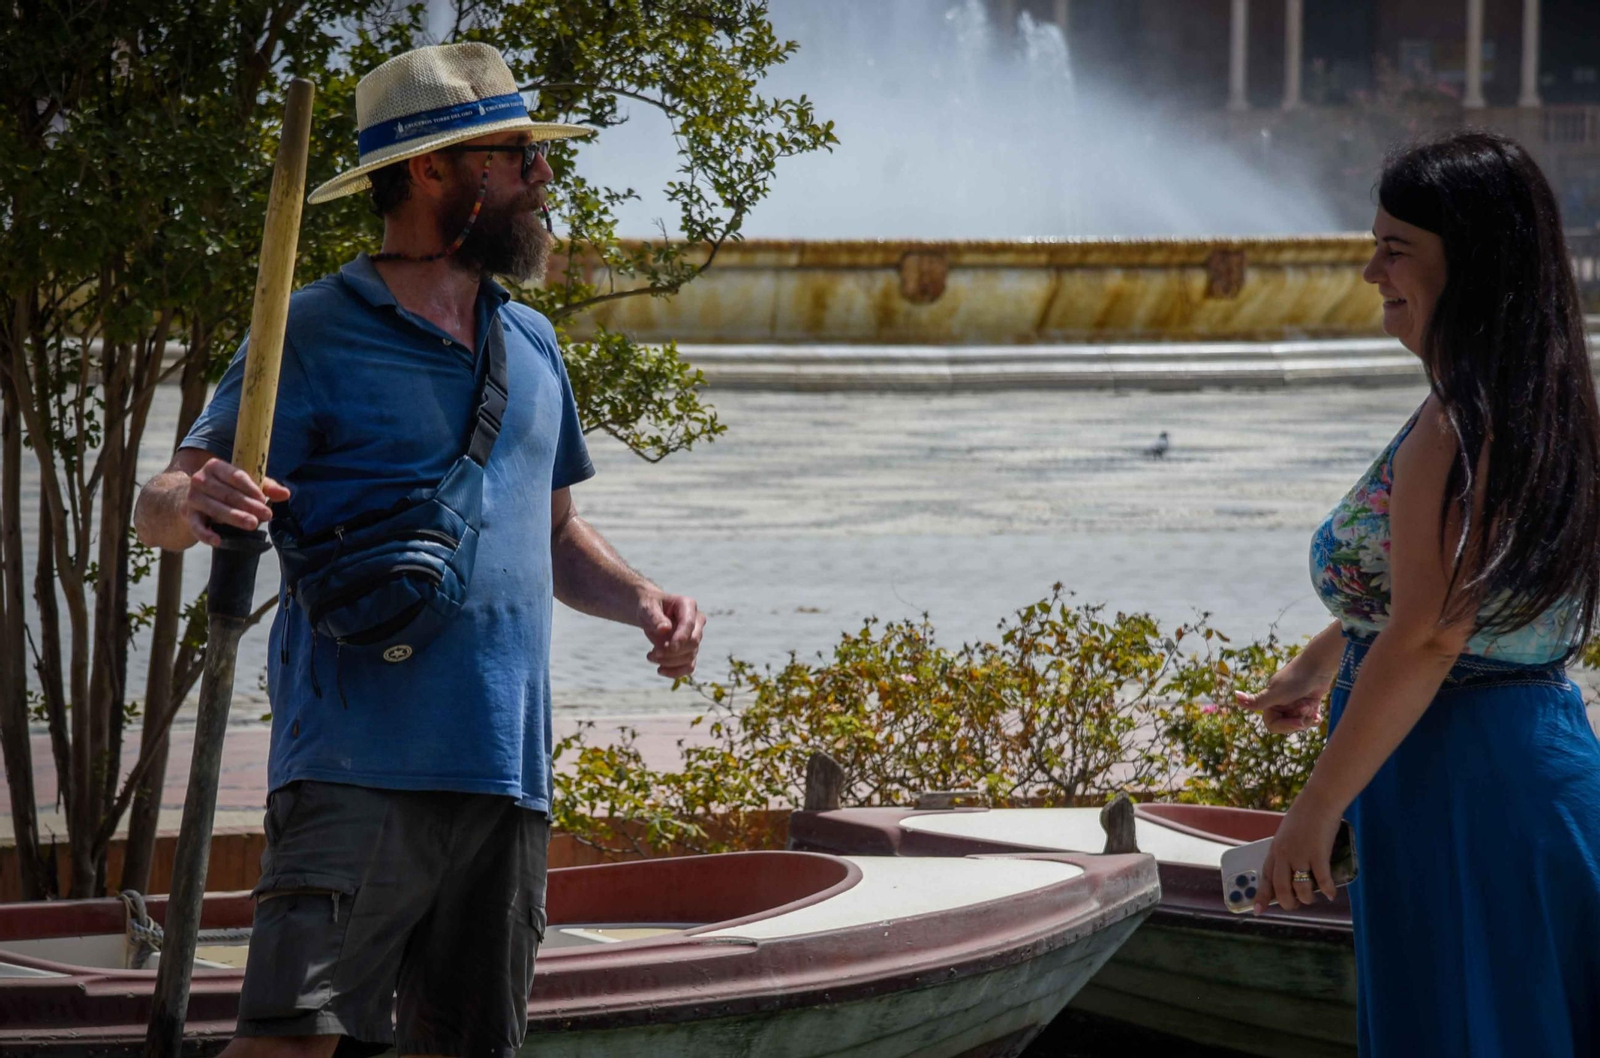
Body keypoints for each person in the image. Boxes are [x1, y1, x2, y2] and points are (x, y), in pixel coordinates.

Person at [133, 42, 706, 1058]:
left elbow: (557, 531)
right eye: (516, 153)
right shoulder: (307, 334)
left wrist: (642, 597)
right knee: (289, 1044)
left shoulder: (528, 343)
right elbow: (162, 503)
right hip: (355, 772)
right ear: (434, 169)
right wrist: (201, 495)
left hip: (506, 779)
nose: (542, 175)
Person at [1237, 130, 1600, 1056]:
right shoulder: (1538, 392)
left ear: (1469, 263)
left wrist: (1312, 813)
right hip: (1519, 757)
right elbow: (1458, 592)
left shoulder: (1460, 420)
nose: (1370, 271)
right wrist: (1324, 658)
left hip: (1460, 778)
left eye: (1396, 248)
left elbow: (1434, 634)